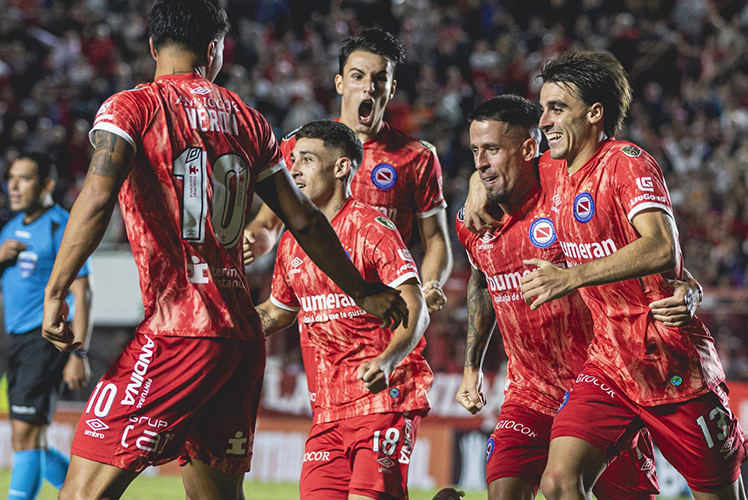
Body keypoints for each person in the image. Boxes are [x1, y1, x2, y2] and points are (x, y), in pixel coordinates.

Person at [40, 2, 408, 499]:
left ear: (153, 46)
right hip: (240, 340)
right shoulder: (247, 119)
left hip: (178, 330)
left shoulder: (132, 107)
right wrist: (361, 291)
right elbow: (303, 218)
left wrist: (57, 288)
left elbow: (98, 195)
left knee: (81, 494)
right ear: (214, 50)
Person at [518, 50, 748, 500]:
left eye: (556, 108)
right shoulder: (550, 168)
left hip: (670, 361)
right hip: (609, 363)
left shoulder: (626, 162)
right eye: (543, 108)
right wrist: (474, 188)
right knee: (559, 481)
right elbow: (501, 166)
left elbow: (663, 247)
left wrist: (572, 277)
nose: (544, 120)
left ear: (594, 113)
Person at [455, 95, 668, 500]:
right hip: (527, 394)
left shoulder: (564, 187)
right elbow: (480, 280)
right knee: (504, 491)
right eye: (475, 151)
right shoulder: (473, 222)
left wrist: (686, 286)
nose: (480, 163)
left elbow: (635, 242)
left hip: (603, 386)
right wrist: (472, 366)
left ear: (529, 149)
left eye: (492, 150)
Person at [255, 120, 432, 500]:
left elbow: (416, 306)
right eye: (293, 160)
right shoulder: (291, 242)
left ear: (340, 168)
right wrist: (222, 323)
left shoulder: (372, 228)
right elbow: (279, 311)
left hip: (386, 399)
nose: (295, 169)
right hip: (327, 413)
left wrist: (386, 361)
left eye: (306, 159)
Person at [243, 28, 452, 313]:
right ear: (340, 83)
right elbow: (270, 223)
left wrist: (431, 284)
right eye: (358, 76)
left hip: (387, 310)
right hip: (323, 311)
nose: (368, 87)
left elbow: (436, 238)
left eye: (380, 79)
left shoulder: (417, 157)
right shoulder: (299, 147)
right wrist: (253, 241)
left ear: (391, 88)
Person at [0, 152, 92, 500]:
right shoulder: (10, 228)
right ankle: (88, 496)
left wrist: (78, 352)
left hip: (43, 339)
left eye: (24, 178)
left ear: (46, 184)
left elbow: (83, 291)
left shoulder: (61, 225)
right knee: (29, 439)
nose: (13, 186)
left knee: (26, 438)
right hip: (16, 341)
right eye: (11, 177)